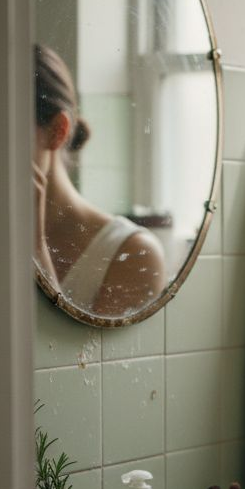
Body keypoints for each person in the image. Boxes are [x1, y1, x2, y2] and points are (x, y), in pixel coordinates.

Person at [33, 44, 166, 318]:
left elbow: (78, 360)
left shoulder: (132, 253)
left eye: (2, 130)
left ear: (57, 131)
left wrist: (34, 249)